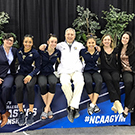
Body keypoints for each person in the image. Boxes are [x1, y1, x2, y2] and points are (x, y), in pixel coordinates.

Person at [39, 28, 85, 123]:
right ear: (65, 35)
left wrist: (97, 48)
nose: (70, 36)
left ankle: (71, 107)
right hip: (64, 71)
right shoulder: (59, 45)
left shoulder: (79, 45)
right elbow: (50, 47)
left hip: (76, 71)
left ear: (74, 36)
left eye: (72, 34)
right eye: (68, 34)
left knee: (80, 83)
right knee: (64, 85)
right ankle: (74, 108)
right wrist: (43, 45)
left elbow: (89, 51)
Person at [15, 34, 40, 126]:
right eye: (26, 42)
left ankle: (30, 112)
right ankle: (21, 112)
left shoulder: (35, 53)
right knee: (19, 86)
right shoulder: (19, 52)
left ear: (32, 43)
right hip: (21, 73)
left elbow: (38, 68)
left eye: (30, 42)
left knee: (30, 86)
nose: (27, 44)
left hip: (32, 74)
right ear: (23, 42)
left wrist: (30, 75)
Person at [38, 34, 61, 120]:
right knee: (42, 84)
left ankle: (46, 108)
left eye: (55, 42)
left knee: (53, 82)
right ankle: (49, 109)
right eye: (52, 42)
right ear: (48, 42)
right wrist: (42, 46)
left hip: (51, 72)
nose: (53, 43)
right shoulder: (42, 51)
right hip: (42, 73)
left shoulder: (57, 52)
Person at [100, 34, 123, 114]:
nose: (107, 41)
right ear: (102, 41)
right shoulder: (100, 50)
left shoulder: (116, 50)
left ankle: (115, 104)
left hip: (114, 70)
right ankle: (118, 102)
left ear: (111, 41)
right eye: (105, 40)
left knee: (116, 79)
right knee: (108, 79)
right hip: (104, 70)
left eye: (108, 40)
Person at [79, 35, 102, 115]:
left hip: (95, 71)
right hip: (86, 71)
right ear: (86, 44)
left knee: (99, 81)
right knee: (88, 82)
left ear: (95, 43)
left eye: (93, 43)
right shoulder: (82, 51)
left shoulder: (98, 51)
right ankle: (94, 104)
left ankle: (92, 104)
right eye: (89, 43)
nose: (91, 44)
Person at [0, 33, 17, 128]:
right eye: (7, 39)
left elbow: (25, 53)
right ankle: (4, 112)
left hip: (9, 75)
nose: (9, 41)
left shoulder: (14, 51)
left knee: (6, 87)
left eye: (11, 40)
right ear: (3, 40)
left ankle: (2, 112)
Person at [118, 31, 135, 118]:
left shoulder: (133, 48)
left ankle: (127, 107)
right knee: (128, 82)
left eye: (126, 38)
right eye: (123, 38)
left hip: (134, 69)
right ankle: (129, 106)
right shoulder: (118, 48)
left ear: (129, 40)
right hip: (125, 71)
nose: (124, 39)